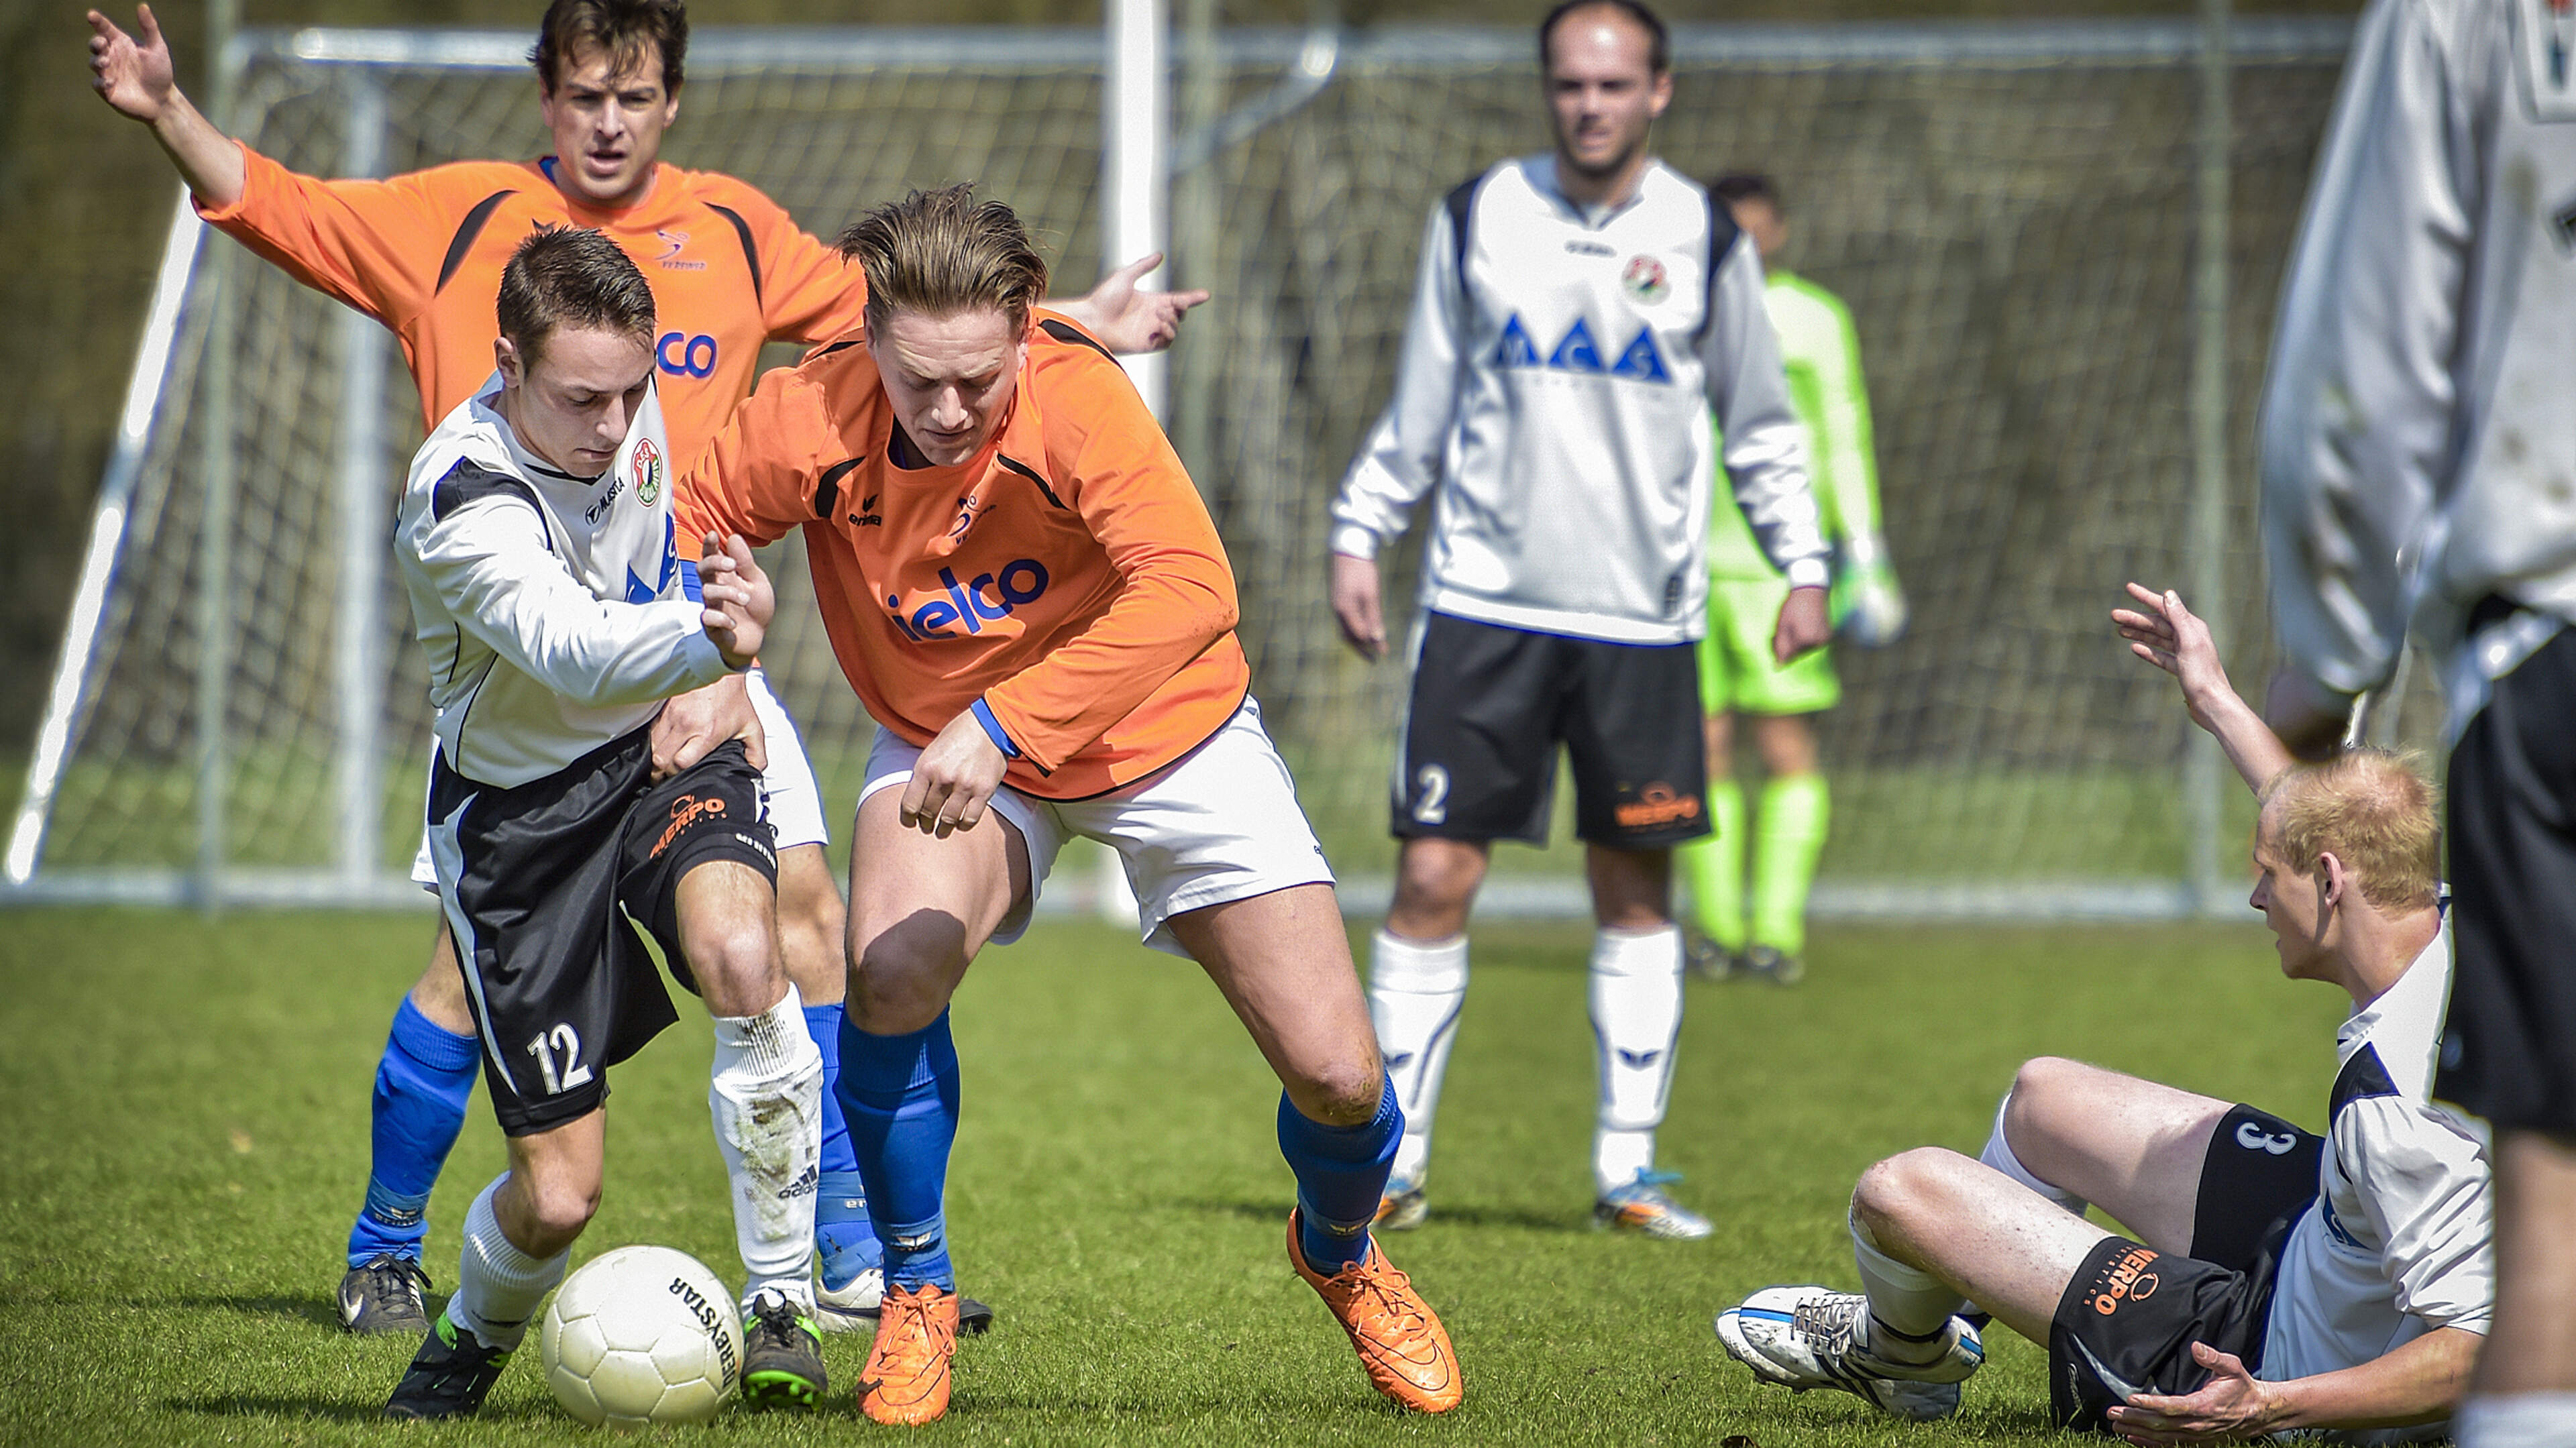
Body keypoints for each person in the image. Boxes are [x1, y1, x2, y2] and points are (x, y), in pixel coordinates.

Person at [86, 0, 1203, 1337]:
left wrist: (1070, 319)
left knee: (799, 906)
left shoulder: (730, 228)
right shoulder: (457, 219)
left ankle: (842, 1256)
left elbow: (902, 320)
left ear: (672, 102)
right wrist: (166, 114)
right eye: (581, 96)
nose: (607, 122)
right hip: (537, 674)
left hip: (703, 640)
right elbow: (283, 204)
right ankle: (385, 1242)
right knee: (467, 959)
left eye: (634, 96)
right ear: (543, 98)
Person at [676, 183, 1462, 1426]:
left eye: (976, 382)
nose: (944, 412)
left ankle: (1344, 1250)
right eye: (915, 378)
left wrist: (1004, 722)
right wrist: (710, 646)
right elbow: (689, 515)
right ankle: (916, 1289)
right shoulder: (806, 413)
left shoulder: (1078, 396)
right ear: (866, 338)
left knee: (1338, 1075)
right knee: (888, 973)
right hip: (949, 739)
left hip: (1167, 726)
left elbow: (1194, 587)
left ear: (1028, 332)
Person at [1715, 584, 2491, 1441]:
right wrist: (2215, 698)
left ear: (2333, 881)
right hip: (2321, 1231)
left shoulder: (2398, 1115)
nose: (2254, 895)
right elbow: (2311, 812)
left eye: (2270, 873)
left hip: (2269, 1359)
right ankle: (1913, 1352)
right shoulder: (2439, 917)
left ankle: (1897, 1348)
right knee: (2044, 1097)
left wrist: (2267, 1405)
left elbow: (2475, 1350)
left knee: (1897, 1192)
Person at [1325, 0, 1831, 1239]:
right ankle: (1398, 1161)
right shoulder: (1478, 217)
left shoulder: (1706, 235)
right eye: (1568, 84)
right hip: (1484, 610)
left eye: (1612, 84)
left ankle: (1629, 1171)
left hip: (1641, 625)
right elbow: (1423, 402)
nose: (1588, 104)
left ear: (1659, 91)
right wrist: (1360, 526)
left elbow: (1761, 423)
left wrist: (1803, 560)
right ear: (1547, 91)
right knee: (1434, 874)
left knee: (1636, 886)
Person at [383, 226, 808, 1417]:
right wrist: (716, 643)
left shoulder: (625, 405)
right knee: (561, 1193)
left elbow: (662, 554)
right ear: (507, 363)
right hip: (521, 827)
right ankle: (469, 1334)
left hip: (660, 748)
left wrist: (722, 676)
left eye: (635, 391)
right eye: (583, 398)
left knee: (746, 949)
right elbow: (567, 647)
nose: (616, 426)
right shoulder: (459, 497)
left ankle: (783, 1298)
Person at [2255, 3, 2576, 1443]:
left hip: (2548, 631)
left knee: (2548, 1205)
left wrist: (2329, 660)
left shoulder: (2458, 17)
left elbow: (2360, 370)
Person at [1677, 172, 1904, 987]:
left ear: (1777, 231)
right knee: (1698, 748)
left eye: (1753, 227)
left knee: (1782, 744)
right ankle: (1715, 927)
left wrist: (1865, 550)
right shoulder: (1672, 311)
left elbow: (1844, 430)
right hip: (1686, 571)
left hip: (1782, 572)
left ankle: (1775, 927)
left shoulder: (1815, 319)